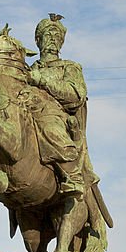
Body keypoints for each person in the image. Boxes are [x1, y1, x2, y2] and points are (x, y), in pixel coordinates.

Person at [26, 13, 96, 198]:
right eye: (48, 35)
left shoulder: (69, 67)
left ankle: (73, 177)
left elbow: (76, 96)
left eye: (57, 36)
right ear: (37, 39)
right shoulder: (27, 70)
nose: (52, 40)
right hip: (27, 114)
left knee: (51, 130)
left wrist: (42, 81)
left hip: (56, 117)